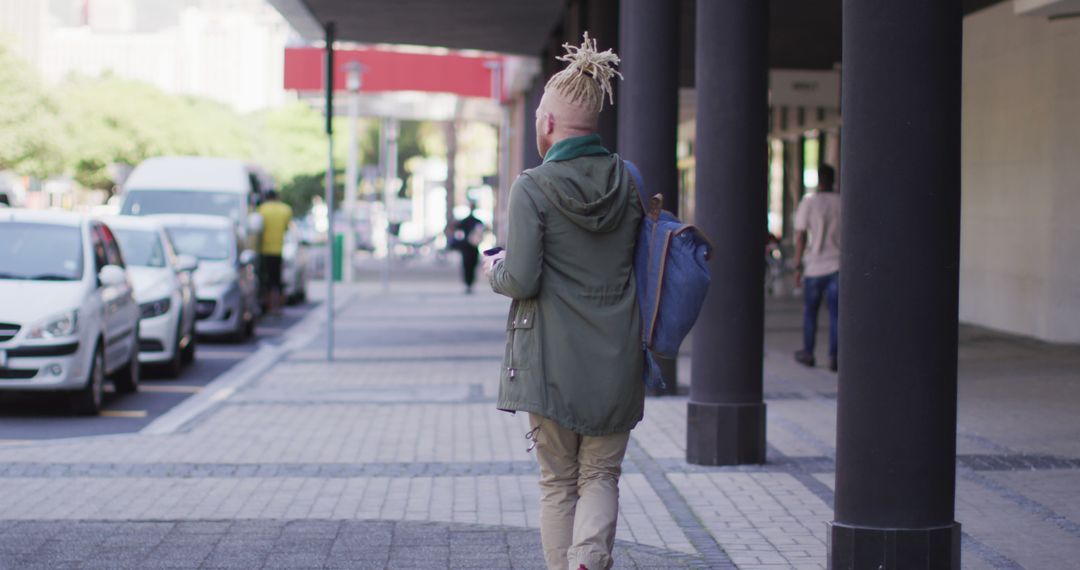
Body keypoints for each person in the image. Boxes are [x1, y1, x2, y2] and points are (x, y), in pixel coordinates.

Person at [484, 33, 641, 570]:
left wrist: (494, 270)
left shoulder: (532, 187)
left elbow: (522, 279)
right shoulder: (628, 181)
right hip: (617, 357)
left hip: (551, 365)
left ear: (548, 122)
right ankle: (588, 561)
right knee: (601, 475)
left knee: (558, 482)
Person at [793, 164, 841, 372]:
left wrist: (797, 266)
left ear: (818, 180)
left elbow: (801, 235)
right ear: (833, 180)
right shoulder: (841, 202)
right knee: (836, 315)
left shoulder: (809, 202)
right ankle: (834, 357)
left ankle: (809, 352)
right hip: (837, 265)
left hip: (814, 266)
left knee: (810, 313)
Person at [256, 189, 293, 316]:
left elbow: (258, 229)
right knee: (277, 281)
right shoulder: (285, 209)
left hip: (264, 250)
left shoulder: (262, 209)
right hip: (278, 249)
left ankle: (268, 306)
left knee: (266, 280)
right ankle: (278, 306)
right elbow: (286, 228)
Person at [452, 202, 484, 294]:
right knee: (471, 265)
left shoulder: (466, 221)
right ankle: (469, 283)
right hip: (472, 247)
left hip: (467, 247)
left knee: (468, 266)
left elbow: (457, 230)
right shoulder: (477, 221)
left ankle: (468, 284)